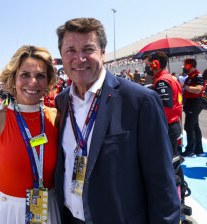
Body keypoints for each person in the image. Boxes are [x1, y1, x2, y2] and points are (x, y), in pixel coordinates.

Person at [54, 18, 180, 224]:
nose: (79, 58)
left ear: (103, 53)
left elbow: (162, 183)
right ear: (62, 55)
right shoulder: (61, 102)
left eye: (88, 49)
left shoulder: (140, 101)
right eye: (70, 50)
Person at [0, 45, 61, 224]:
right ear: (13, 79)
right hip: (6, 213)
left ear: (48, 81)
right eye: (25, 75)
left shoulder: (56, 118)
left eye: (40, 76)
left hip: (47, 211)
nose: (33, 82)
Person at [150, 52, 183, 156]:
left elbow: (164, 107)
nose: (149, 68)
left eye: (149, 64)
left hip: (167, 126)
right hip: (173, 124)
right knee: (172, 159)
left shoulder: (162, 81)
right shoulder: (170, 78)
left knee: (169, 161)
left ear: (155, 64)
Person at [181, 58, 206, 157]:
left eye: (185, 65)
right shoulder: (190, 76)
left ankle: (190, 150)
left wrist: (184, 86)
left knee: (189, 126)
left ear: (189, 65)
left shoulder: (198, 76)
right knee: (194, 126)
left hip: (195, 103)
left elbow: (198, 89)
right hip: (190, 103)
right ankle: (199, 150)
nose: (184, 67)